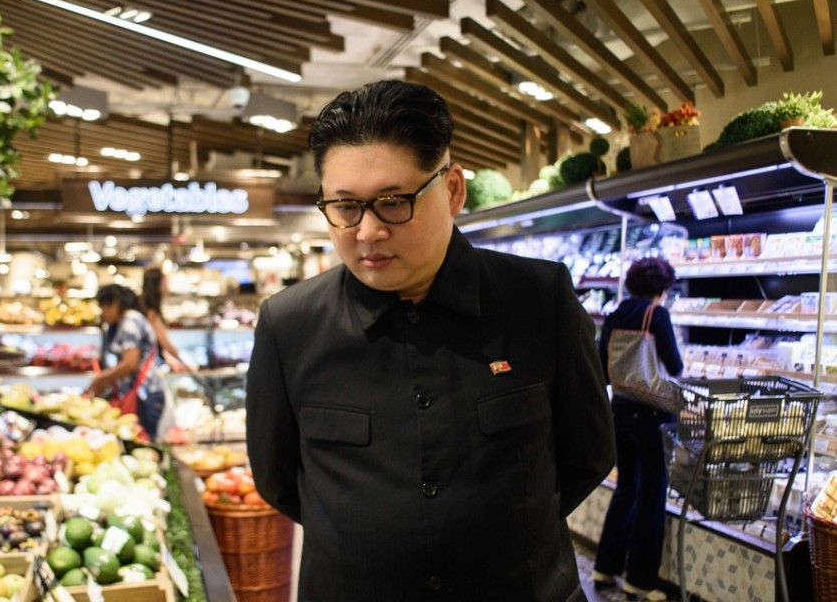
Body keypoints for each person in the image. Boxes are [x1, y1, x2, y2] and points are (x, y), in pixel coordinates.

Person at [246, 79, 615, 601]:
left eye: (394, 202)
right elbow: (279, 479)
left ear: (453, 189)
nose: (368, 231)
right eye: (345, 206)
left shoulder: (538, 298)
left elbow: (589, 453)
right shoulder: (290, 325)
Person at [592, 256, 683, 602]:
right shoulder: (656, 315)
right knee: (651, 494)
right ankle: (640, 581)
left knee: (626, 487)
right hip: (651, 415)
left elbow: (602, 368)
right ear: (660, 289)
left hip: (620, 409)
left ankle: (604, 568)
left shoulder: (615, 314)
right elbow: (674, 365)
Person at [87, 284, 164, 438]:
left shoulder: (130, 321)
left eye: (103, 308)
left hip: (144, 395)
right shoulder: (130, 320)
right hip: (145, 393)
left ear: (114, 304)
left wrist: (101, 379)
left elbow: (130, 364)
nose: (103, 314)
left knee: (143, 439)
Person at [141, 266, 190, 373]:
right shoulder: (151, 311)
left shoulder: (148, 307)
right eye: (165, 280)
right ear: (157, 284)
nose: (167, 284)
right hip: (148, 366)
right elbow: (163, 341)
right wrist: (183, 361)